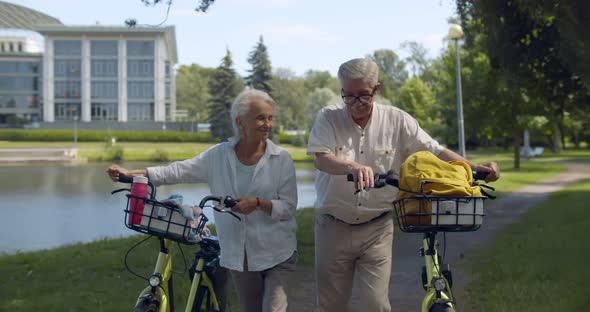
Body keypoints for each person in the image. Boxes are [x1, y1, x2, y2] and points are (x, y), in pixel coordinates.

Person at [306, 58, 500, 312]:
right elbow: (322, 159)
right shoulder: (328, 117)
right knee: (332, 306)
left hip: (377, 227)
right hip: (333, 225)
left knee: (376, 305)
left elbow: (435, 151)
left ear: (376, 89)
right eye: (349, 96)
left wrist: (475, 169)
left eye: (363, 95)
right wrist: (352, 166)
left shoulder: (398, 120)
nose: (356, 104)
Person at [107, 89, 298, 312]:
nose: (268, 124)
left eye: (270, 117)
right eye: (260, 117)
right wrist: (132, 173)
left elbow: (289, 207)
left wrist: (258, 203)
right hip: (240, 254)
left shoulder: (282, 159)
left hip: (278, 253)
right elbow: (177, 171)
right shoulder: (218, 155)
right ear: (240, 122)